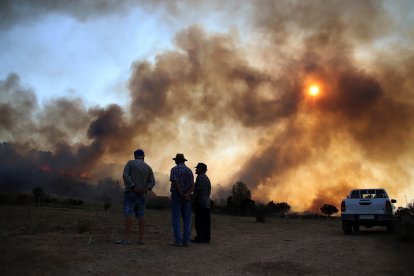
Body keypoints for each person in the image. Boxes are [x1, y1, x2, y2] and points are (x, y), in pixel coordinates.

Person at [115, 149, 155, 245]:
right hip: (141, 195)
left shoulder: (130, 163)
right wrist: (146, 189)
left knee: (129, 214)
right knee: (141, 215)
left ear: (134, 156)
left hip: (131, 193)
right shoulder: (148, 167)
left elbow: (125, 175)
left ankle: (127, 239)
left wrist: (133, 186)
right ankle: (141, 239)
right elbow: (152, 182)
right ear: (143, 156)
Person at [169, 153, 194, 247]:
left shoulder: (174, 169)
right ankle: (186, 241)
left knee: (176, 218)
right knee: (187, 219)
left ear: (176, 161)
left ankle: (178, 241)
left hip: (177, 195)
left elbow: (175, 182)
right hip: (187, 196)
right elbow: (192, 185)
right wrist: (187, 194)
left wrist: (180, 193)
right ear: (183, 161)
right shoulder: (189, 171)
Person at [192, 163, 211, 243]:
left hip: (200, 202)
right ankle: (206, 238)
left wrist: (193, 198)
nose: (196, 170)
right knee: (206, 221)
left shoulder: (200, 177)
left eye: (197, 168)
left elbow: (198, 190)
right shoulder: (206, 178)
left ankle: (199, 238)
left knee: (199, 221)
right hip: (206, 203)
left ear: (201, 169)